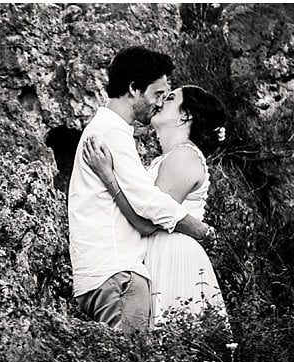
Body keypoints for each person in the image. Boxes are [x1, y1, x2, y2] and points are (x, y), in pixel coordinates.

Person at [68, 47, 215, 333]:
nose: (159, 104)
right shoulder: (111, 132)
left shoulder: (109, 129)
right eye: (158, 94)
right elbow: (147, 203)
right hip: (117, 272)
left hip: (108, 272)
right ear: (134, 89)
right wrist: (200, 230)